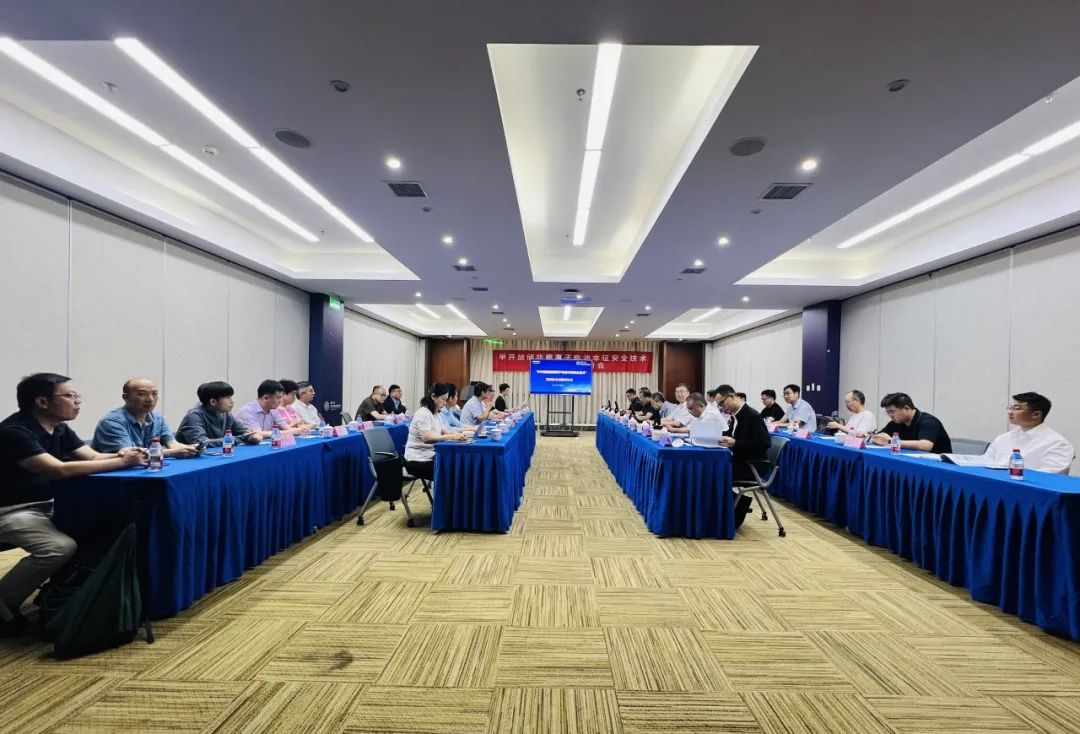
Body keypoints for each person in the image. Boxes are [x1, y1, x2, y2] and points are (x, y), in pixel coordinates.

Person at [0, 373, 147, 636]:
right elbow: (58, 469)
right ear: (42, 402)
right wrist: (122, 462)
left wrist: (123, 453)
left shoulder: (60, 428)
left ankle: (67, 595)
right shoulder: (14, 432)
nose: (77, 402)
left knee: (100, 528)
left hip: (47, 505)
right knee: (58, 548)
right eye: (69, 396)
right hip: (11, 511)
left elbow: (94, 457)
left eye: (77, 396)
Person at [92, 377, 198, 458]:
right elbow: (130, 455)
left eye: (154, 394)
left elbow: (172, 444)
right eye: (141, 394)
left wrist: (192, 448)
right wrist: (172, 452)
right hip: (114, 476)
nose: (150, 399)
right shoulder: (112, 421)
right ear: (125, 397)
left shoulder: (157, 418)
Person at [714, 385, 771, 528]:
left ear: (732, 397)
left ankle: (735, 510)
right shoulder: (736, 416)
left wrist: (735, 443)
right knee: (712, 470)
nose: (722, 407)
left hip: (752, 465)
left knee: (714, 473)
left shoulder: (752, 416)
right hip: (740, 460)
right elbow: (732, 436)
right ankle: (727, 510)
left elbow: (764, 443)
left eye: (722, 403)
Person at [982, 392, 1074, 473]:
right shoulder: (1003, 438)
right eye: (1010, 408)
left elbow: (1049, 476)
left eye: (1017, 408)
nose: (1010, 412)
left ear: (1036, 414)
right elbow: (985, 462)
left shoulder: (1057, 444)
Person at [404, 383, 468, 481]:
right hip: (417, 459)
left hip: (430, 455)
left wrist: (458, 435)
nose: (445, 403)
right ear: (433, 396)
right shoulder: (423, 413)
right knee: (451, 470)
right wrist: (451, 437)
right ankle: (445, 491)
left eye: (446, 400)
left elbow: (445, 431)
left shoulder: (435, 413)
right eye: (443, 399)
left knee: (457, 464)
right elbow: (426, 438)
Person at [176, 381, 262, 447]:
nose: (232, 402)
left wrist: (251, 436)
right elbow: (202, 443)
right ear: (213, 402)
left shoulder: (226, 414)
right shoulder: (193, 416)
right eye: (228, 398)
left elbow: (243, 432)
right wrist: (239, 439)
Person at [871, 392, 952, 453]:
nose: (890, 416)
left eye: (892, 412)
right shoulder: (895, 423)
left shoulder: (928, 421)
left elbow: (926, 445)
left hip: (939, 465)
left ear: (906, 408)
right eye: (887, 412)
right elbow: (878, 437)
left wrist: (890, 441)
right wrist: (876, 438)